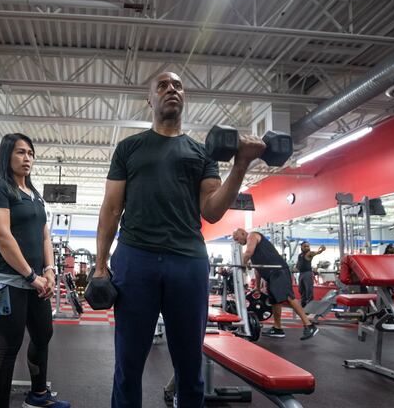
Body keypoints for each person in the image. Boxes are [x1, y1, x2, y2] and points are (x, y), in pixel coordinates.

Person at [94, 71, 266, 408]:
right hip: (135, 258)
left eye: (178, 85)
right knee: (128, 364)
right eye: (163, 85)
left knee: (189, 368)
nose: (171, 89)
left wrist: (241, 165)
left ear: (184, 97)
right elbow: (112, 208)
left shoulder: (202, 153)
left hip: (187, 261)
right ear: (150, 99)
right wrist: (100, 266)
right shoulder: (129, 147)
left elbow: (212, 211)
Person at [0, 133, 70, 408]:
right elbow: (1, 236)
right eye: (21, 152)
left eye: (31, 153)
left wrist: (50, 270)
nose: (27, 158)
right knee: (9, 345)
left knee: (43, 335)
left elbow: (45, 236)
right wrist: (31, 276)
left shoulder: (35, 196)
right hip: (6, 282)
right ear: (7, 155)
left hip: (37, 281)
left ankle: (38, 396)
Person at [233, 228, 320, 340]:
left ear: (242, 233)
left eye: (237, 239)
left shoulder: (252, 236)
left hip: (278, 271)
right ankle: (277, 328)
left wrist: (240, 266)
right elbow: (257, 269)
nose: (238, 242)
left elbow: (248, 254)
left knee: (289, 297)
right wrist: (257, 287)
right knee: (275, 301)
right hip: (271, 275)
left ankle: (309, 325)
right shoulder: (253, 248)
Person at [296, 242, 325, 308]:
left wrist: (321, 250)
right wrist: (296, 268)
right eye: (305, 246)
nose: (307, 247)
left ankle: (310, 307)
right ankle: (303, 305)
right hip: (301, 274)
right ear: (301, 247)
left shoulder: (309, 253)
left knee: (309, 290)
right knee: (301, 290)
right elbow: (298, 264)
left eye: (308, 246)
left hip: (307, 273)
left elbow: (317, 252)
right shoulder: (300, 255)